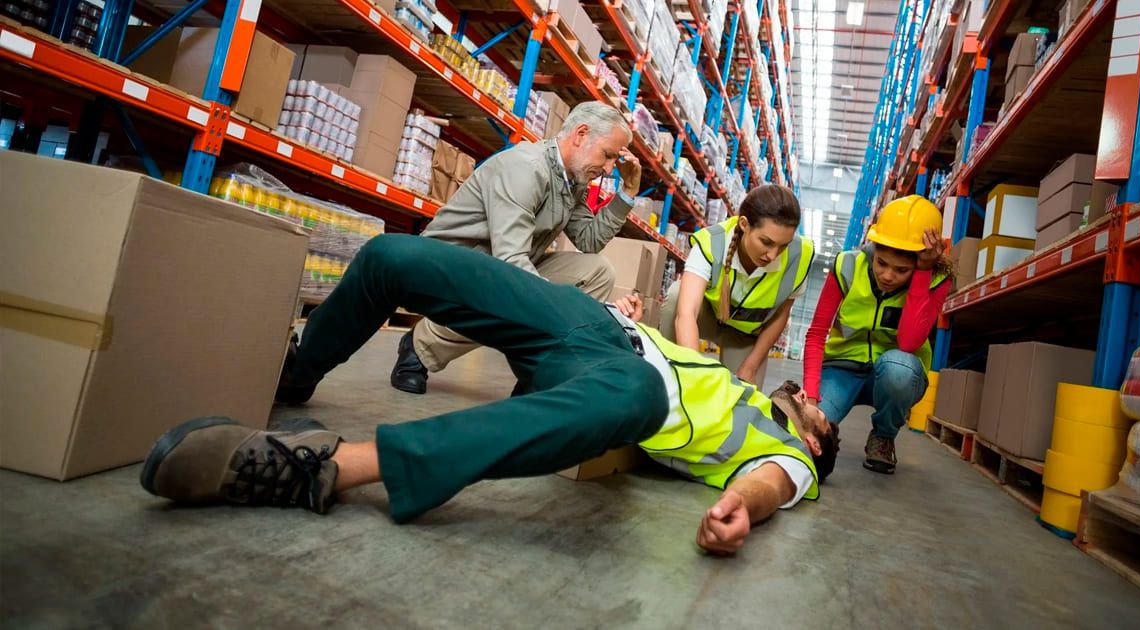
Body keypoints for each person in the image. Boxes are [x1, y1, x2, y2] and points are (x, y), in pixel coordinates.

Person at [140, 233, 839, 555]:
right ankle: (294, 378)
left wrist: (738, 511)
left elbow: (771, 485)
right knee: (394, 258)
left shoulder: (786, 453)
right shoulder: (736, 382)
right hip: (595, 329)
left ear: (814, 440)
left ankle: (321, 468)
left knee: (636, 396)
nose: (811, 397)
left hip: (620, 388)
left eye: (819, 413)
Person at [387, 101, 642, 395]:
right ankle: (420, 346)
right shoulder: (526, 168)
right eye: (608, 156)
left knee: (597, 272)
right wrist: (562, 307)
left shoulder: (573, 180)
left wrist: (628, 193)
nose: (609, 169)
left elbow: (589, 240)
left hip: (499, 266)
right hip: (450, 268)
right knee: (520, 296)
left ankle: (542, 370)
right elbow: (510, 262)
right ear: (581, 134)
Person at [801, 195, 952, 475]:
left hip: (898, 373)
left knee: (898, 369)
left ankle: (883, 437)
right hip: (841, 369)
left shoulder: (936, 279)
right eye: (881, 263)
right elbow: (817, 333)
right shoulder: (847, 266)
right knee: (809, 435)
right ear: (874, 247)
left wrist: (921, 275)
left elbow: (909, 342)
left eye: (901, 270)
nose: (888, 275)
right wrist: (810, 397)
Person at [660, 185, 815, 389]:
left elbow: (780, 316)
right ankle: (666, 374)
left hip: (745, 336)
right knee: (675, 295)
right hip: (709, 318)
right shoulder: (712, 242)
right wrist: (694, 372)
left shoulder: (799, 256)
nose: (773, 255)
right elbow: (686, 313)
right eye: (766, 242)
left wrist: (750, 367)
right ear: (744, 224)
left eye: (783, 246)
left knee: (742, 398)